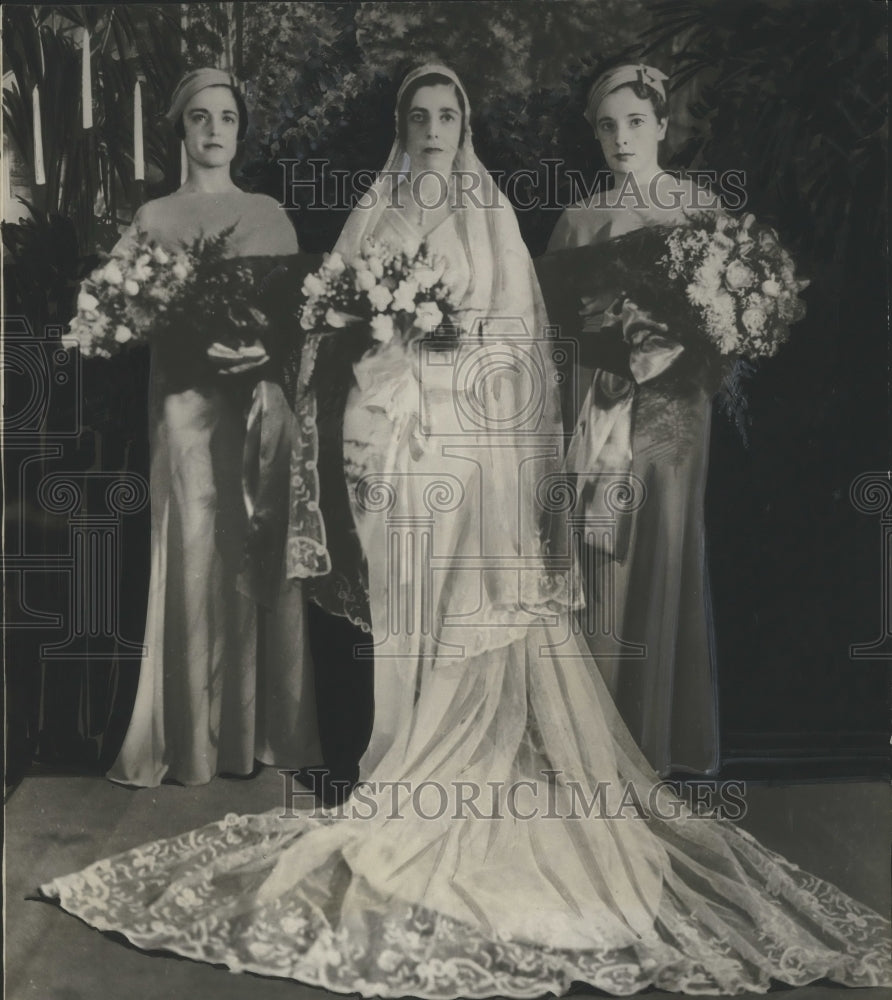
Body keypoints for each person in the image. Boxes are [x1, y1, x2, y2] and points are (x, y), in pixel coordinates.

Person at [40, 65, 890, 995]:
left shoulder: (490, 212)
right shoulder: (375, 210)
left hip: (469, 439)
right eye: (421, 116)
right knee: (404, 600)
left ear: (465, 124)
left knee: (467, 600)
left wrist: (460, 372)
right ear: (403, 126)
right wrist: (381, 332)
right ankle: (398, 751)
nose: (435, 128)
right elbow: (326, 320)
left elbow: (522, 341)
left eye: (448, 115)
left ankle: (458, 758)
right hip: (389, 434)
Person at [105, 68, 320, 787]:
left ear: (241, 130)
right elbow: (118, 309)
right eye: (200, 116)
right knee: (190, 546)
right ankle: (190, 742)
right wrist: (147, 313)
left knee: (251, 546)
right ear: (181, 128)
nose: (214, 130)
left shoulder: (267, 213)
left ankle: (255, 735)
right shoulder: (154, 217)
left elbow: (297, 321)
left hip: (254, 406)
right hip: (184, 404)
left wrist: (265, 352)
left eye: (226, 117)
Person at [546, 64, 721, 777]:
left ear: (663, 126)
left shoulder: (700, 209)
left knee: (667, 545)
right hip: (601, 399)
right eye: (608, 127)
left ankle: (658, 741)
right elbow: (554, 329)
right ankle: (596, 744)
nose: (622, 138)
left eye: (637, 123)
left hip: (676, 408)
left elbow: (723, 317)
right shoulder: (580, 220)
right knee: (603, 549)